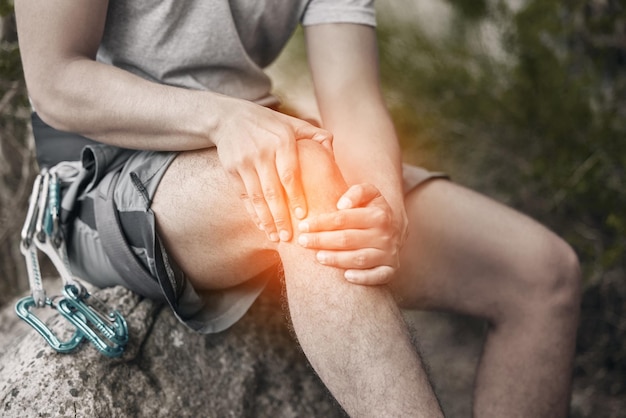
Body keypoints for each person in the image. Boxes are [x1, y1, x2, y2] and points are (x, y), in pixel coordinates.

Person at [14, 0, 581, 416]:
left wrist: (380, 207)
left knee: (539, 273)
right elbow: (55, 81)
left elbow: (353, 96)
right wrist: (220, 117)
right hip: (109, 168)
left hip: (254, 135)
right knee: (302, 181)